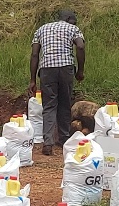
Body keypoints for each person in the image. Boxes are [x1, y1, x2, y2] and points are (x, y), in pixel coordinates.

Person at [30, 8, 85, 152]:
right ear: (67, 19)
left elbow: (35, 54)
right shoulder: (73, 29)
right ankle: (64, 139)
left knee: (49, 105)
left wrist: (32, 79)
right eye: (73, 21)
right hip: (66, 68)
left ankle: (48, 142)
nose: (74, 23)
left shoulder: (41, 29)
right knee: (65, 104)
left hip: (47, 69)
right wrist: (80, 70)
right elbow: (80, 46)